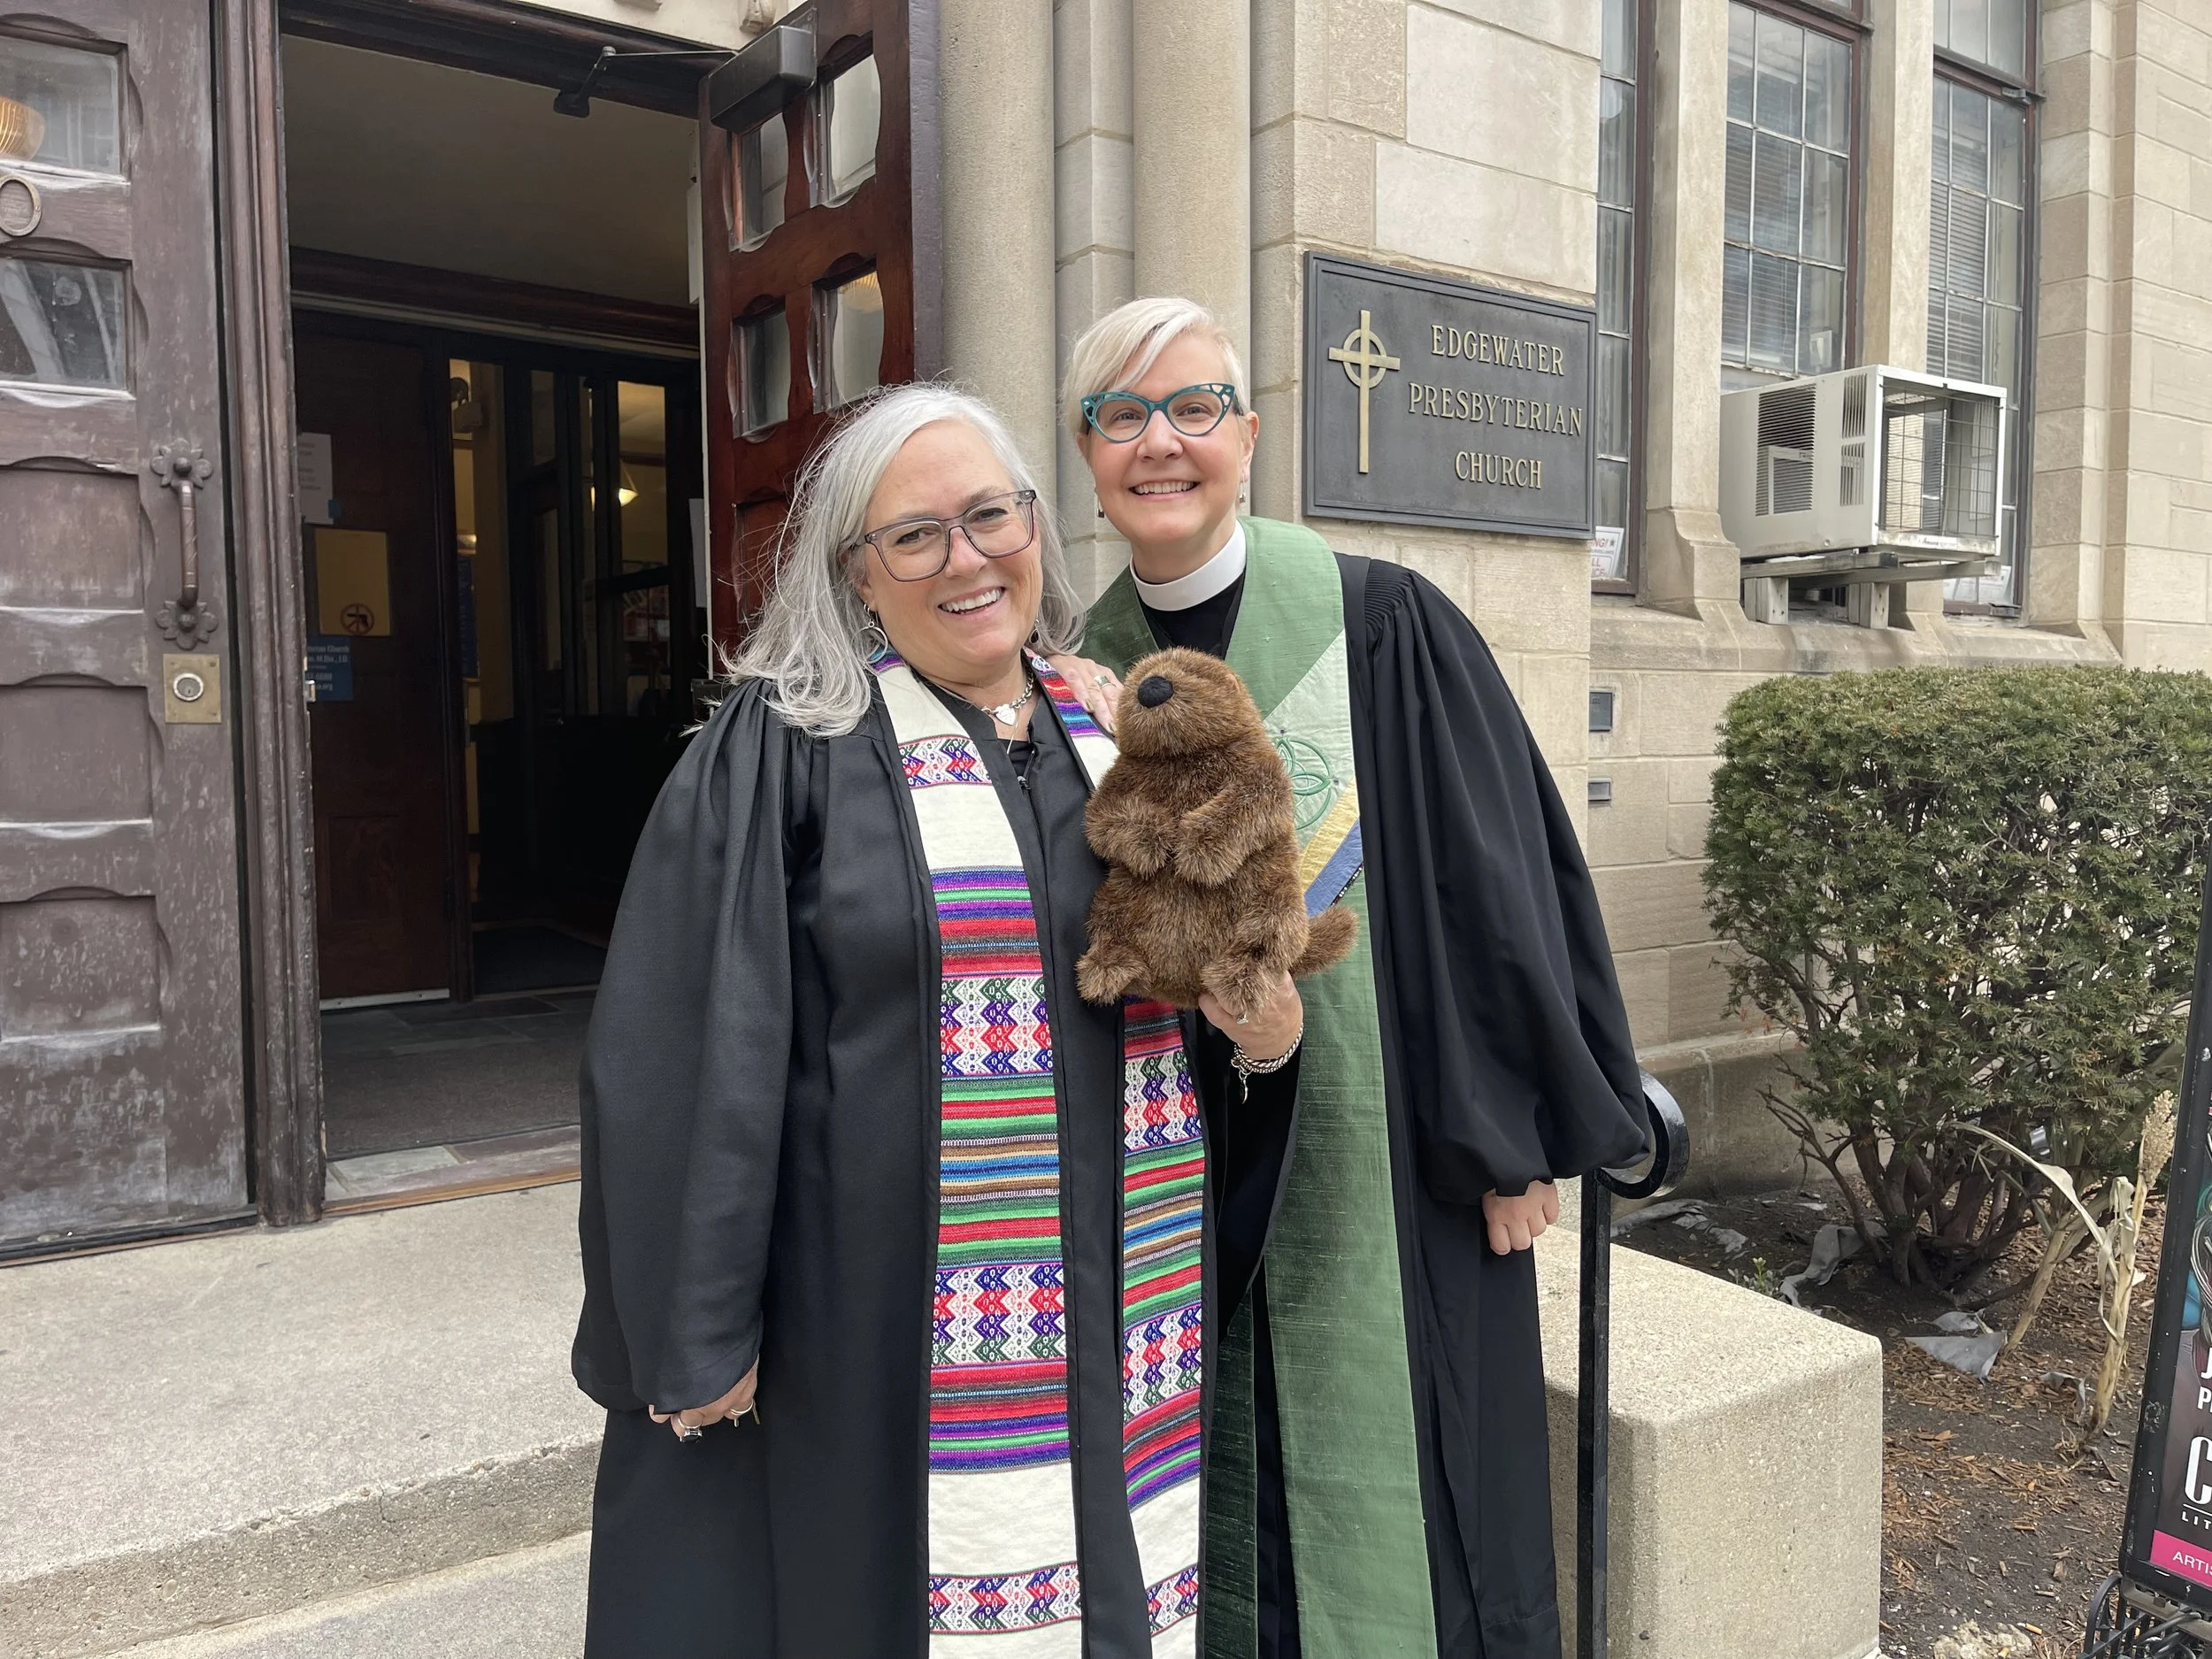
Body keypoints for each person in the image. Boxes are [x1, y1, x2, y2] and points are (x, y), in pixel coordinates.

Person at [571, 381, 1304, 1658]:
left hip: (1123, 1299)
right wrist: (700, 1325)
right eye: (914, 535)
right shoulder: (787, 747)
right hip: (874, 1325)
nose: (966, 559)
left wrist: (1266, 1035)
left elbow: (1198, 996)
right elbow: (689, 1051)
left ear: (1034, 526)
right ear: (857, 574)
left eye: (990, 516)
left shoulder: (1118, 739)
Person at [1064, 297, 1652, 1659]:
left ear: (1250, 435)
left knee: (1426, 1537)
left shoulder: (1376, 622)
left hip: (1396, 1176)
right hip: (1184, 1189)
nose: (1161, 443)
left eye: (1194, 407)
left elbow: (1489, 883)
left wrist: (1510, 1141)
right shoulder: (1079, 673)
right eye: (1122, 415)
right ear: (1088, 455)